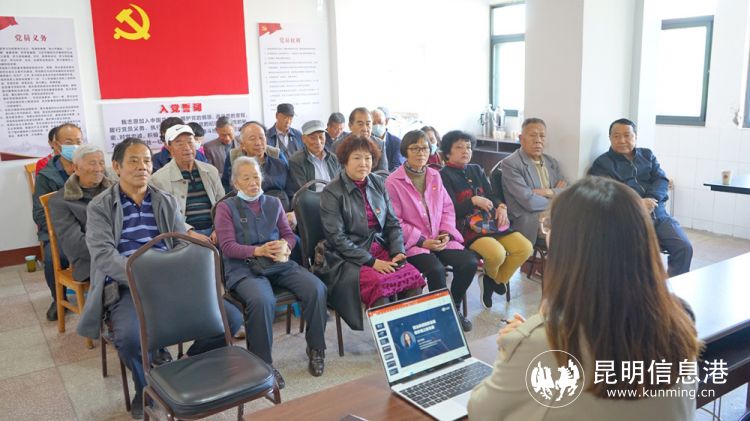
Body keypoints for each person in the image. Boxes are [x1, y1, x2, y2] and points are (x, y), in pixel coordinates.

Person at [468, 176, 700, 420]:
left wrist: (514, 346)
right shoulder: (679, 320)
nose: (547, 233)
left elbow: (480, 411)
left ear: (570, 245)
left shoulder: (546, 343)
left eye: (549, 226)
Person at [77, 138, 231, 418]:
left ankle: (178, 369)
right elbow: (104, 255)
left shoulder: (164, 199)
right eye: (134, 161)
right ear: (117, 167)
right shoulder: (100, 206)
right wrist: (143, 276)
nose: (142, 167)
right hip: (127, 284)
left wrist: (179, 272)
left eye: (147, 160)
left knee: (229, 319)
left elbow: (181, 241)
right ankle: (145, 387)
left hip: (168, 280)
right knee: (130, 338)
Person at [214, 156, 328, 387]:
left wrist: (285, 246)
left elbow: (288, 235)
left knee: (316, 288)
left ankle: (316, 348)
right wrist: (257, 250)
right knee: (262, 300)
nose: (253, 182)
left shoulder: (273, 203)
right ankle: (263, 364)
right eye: (246, 178)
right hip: (244, 267)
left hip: (278, 263)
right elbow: (226, 246)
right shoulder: (225, 208)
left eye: (256, 177)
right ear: (235, 183)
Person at [318, 135, 425, 331]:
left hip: (381, 248)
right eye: (357, 158)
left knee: (412, 276)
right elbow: (337, 239)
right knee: (379, 283)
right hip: (349, 257)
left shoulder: (378, 183)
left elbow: (393, 223)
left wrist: (397, 251)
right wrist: (372, 262)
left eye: (367, 158)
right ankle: (389, 339)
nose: (363, 163)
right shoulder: (331, 191)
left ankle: (411, 334)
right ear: (345, 160)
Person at [150, 124, 247, 339]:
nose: (187, 147)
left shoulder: (209, 170)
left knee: (237, 249)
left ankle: (238, 308)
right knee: (206, 256)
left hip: (215, 229)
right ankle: (222, 318)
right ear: (169, 148)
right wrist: (190, 232)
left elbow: (223, 204)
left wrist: (219, 228)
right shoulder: (159, 179)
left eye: (190, 141)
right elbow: (166, 217)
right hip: (185, 234)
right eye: (179, 143)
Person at [385, 130, 477, 331]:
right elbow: (394, 221)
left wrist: (445, 233)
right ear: (405, 151)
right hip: (414, 243)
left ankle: (453, 308)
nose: (421, 153)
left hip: (439, 237)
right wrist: (421, 241)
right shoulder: (393, 182)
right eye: (415, 148)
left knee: (469, 262)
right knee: (435, 270)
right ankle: (441, 316)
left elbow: (447, 208)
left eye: (425, 148)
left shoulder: (435, 175)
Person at [440, 130, 532, 309]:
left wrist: (501, 207)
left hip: (490, 223)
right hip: (466, 229)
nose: (466, 151)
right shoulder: (443, 175)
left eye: (468, 147)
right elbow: (449, 211)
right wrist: (473, 201)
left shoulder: (476, 169)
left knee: (525, 248)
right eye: (459, 147)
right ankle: (493, 279)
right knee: (496, 254)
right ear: (448, 152)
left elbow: (491, 195)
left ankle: (491, 281)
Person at [589, 118, 693, 276]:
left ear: (635, 137)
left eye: (627, 135)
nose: (622, 140)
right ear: (610, 138)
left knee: (684, 247)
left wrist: (651, 199)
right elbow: (608, 193)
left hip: (658, 214)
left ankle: (673, 286)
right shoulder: (603, 163)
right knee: (640, 258)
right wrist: (637, 203)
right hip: (628, 218)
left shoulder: (647, 155)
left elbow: (661, 179)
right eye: (616, 136)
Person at [33, 123, 81, 321]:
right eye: (69, 142)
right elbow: (39, 213)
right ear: (55, 144)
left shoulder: (89, 167)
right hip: (58, 231)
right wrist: (64, 230)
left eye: (78, 142)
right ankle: (58, 298)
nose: (75, 146)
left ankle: (106, 295)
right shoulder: (46, 175)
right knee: (54, 256)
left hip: (87, 227)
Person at [48, 144, 114, 284]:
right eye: (92, 163)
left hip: (124, 252)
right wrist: (111, 253)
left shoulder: (115, 190)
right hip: (90, 262)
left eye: (101, 163)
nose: (98, 168)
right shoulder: (61, 201)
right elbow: (75, 244)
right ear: (76, 168)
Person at [500, 118, 568, 244]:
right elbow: (529, 202)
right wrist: (557, 199)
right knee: (572, 232)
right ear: (521, 139)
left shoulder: (551, 162)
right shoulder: (511, 163)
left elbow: (567, 191)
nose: (538, 140)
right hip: (532, 219)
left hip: (551, 214)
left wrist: (547, 192)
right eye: (532, 135)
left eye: (542, 136)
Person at [222, 121, 295, 212]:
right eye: (252, 139)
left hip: (282, 211)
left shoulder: (279, 163)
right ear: (242, 145)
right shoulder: (236, 163)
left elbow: (292, 191)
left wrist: (293, 212)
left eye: (261, 137)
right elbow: (227, 187)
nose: (258, 143)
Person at [289, 120, 341, 192]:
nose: (318, 142)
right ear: (303, 139)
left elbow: (340, 185)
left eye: (321, 137)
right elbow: (303, 192)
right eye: (313, 138)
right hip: (312, 198)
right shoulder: (296, 161)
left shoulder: (334, 158)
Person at [332, 107, 388, 172]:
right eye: (360, 124)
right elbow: (335, 173)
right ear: (350, 126)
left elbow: (383, 173)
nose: (365, 129)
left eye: (368, 124)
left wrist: (365, 177)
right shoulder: (337, 146)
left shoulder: (379, 144)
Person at [202, 116, 239, 184]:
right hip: (222, 183)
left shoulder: (242, 142)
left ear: (234, 128)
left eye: (229, 134)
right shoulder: (209, 147)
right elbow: (210, 171)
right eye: (223, 135)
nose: (227, 138)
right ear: (217, 130)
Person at [372, 107, 404, 172]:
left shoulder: (397, 142)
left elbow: (397, 166)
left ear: (386, 121)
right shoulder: (366, 141)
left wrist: (386, 177)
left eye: (380, 122)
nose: (377, 126)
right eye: (373, 123)